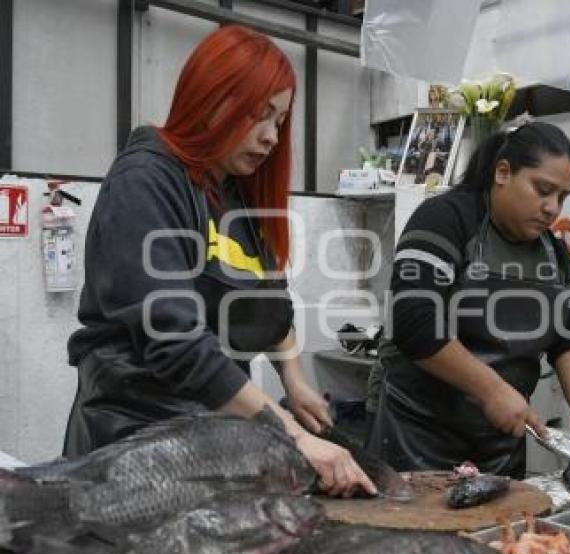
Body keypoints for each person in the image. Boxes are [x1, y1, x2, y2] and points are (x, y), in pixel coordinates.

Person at [63, 25, 375, 498]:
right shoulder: (146, 181)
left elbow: (271, 306)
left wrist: (295, 379)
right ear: (212, 97)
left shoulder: (240, 199)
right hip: (135, 448)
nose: (272, 137)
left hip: (214, 440)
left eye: (280, 121)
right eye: (261, 115)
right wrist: (290, 432)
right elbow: (176, 341)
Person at [367, 122, 570, 479]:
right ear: (503, 173)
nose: (552, 208)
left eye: (562, 197)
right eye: (543, 189)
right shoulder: (446, 218)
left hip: (500, 444)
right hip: (419, 437)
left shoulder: (554, 254)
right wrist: (493, 390)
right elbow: (415, 322)